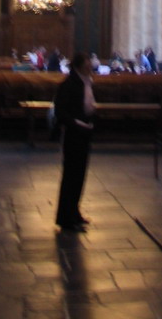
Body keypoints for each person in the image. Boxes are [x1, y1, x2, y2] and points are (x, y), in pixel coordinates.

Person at [54, 51, 95, 231]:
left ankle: (75, 212)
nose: (90, 67)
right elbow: (60, 112)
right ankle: (66, 218)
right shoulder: (69, 84)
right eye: (87, 64)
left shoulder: (86, 83)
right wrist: (76, 123)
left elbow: (88, 106)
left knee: (79, 176)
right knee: (71, 176)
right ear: (79, 66)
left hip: (84, 133)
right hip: (73, 135)